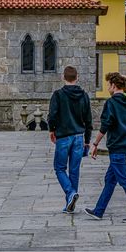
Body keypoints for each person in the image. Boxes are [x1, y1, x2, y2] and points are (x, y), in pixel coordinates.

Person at [85, 72, 126, 223]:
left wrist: (95, 144)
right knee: (110, 179)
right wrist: (122, 79)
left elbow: (105, 125)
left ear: (113, 85)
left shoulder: (111, 103)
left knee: (124, 179)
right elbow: (125, 89)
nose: (107, 88)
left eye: (108, 85)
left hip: (117, 145)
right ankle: (98, 211)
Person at [48, 65, 92, 215]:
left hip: (63, 137)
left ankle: (70, 193)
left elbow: (52, 115)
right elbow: (88, 120)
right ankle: (70, 201)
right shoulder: (84, 95)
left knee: (59, 168)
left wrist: (51, 130)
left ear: (63, 77)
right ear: (77, 77)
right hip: (79, 137)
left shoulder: (58, 95)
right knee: (74, 170)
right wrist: (87, 140)